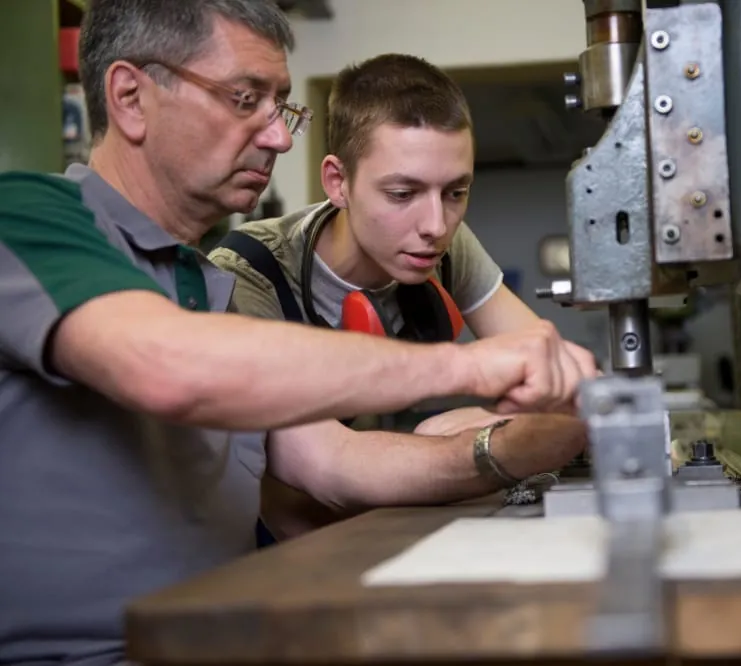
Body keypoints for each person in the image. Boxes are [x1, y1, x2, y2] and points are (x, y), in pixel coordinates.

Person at [0, 2, 596, 664]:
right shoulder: (26, 218)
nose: (280, 139)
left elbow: (338, 464)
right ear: (131, 98)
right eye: (244, 99)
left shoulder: (208, 290)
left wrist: (520, 444)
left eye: (280, 105)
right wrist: (472, 367)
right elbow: (170, 370)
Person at [208, 54, 595, 540]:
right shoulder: (247, 277)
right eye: (402, 194)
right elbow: (322, 476)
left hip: (382, 521)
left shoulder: (440, 246)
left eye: (455, 192)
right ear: (338, 183)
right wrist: (497, 442)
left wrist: (471, 432)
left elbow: (560, 380)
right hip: (280, 539)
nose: (435, 226)